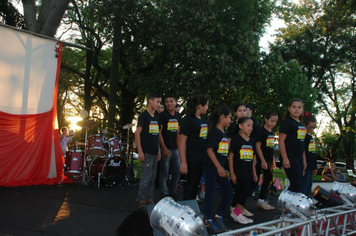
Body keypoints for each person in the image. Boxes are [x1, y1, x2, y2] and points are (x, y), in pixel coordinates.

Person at [203, 106, 234, 233]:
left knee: (229, 192)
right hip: (212, 167)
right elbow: (209, 150)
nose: (231, 120)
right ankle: (207, 220)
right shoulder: (215, 132)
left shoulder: (223, 133)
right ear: (222, 118)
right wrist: (218, 167)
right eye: (229, 117)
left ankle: (218, 216)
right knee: (209, 194)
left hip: (220, 166)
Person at [179, 94, 209, 200]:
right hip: (192, 157)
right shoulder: (187, 120)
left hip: (202, 157)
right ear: (199, 106)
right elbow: (182, 141)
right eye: (206, 105)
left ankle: (191, 205)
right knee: (191, 182)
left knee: (196, 182)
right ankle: (186, 205)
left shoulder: (204, 119)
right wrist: (183, 161)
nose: (207, 108)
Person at [229, 117, 258, 224]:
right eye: (248, 125)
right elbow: (231, 156)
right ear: (240, 126)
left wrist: (254, 172)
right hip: (238, 171)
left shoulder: (251, 140)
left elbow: (252, 158)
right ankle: (237, 212)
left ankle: (237, 210)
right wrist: (231, 172)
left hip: (248, 171)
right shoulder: (236, 139)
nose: (251, 128)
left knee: (241, 190)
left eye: (252, 126)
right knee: (247, 189)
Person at [135, 93, 162, 207]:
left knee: (152, 177)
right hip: (146, 152)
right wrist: (140, 151)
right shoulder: (144, 116)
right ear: (150, 101)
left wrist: (159, 150)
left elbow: (157, 135)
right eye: (157, 101)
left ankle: (149, 197)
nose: (158, 104)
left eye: (160, 102)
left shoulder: (155, 117)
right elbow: (137, 133)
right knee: (146, 177)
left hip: (154, 151)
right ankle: (141, 198)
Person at [279, 98, 307, 193]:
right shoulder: (287, 122)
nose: (296, 110)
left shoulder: (302, 124)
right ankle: (285, 203)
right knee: (296, 184)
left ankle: (291, 204)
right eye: (294, 107)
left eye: (299, 107)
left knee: (298, 184)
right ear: (289, 108)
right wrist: (285, 158)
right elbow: (281, 140)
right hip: (290, 156)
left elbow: (302, 143)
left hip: (299, 157)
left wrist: (304, 160)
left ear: (302, 109)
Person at [158, 95, 181, 200]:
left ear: (175, 102)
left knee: (177, 172)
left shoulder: (178, 116)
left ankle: (173, 191)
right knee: (165, 172)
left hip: (176, 149)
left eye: (171, 101)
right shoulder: (162, 116)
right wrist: (164, 148)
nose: (169, 103)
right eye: (167, 102)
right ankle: (164, 192)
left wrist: (180, 149)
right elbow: (159, 133)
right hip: (165, 148)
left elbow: (179, 133)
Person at [256, 111, 278, 210]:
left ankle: (264, 199)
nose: (273, 123)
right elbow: (258, 146)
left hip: (269, 158)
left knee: (269, 178)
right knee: (267, 177)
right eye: (271, 121)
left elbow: (271, 147)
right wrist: (262, 160)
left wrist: (273, 158)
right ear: (266, 119)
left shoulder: (272, 132)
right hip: (263, 158)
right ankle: (261, 200)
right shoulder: (261, 131)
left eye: (275, 121)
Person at [300, 114, 318, 196]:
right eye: (310, 127)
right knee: (304, 184)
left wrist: (314, 166)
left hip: (311, 165)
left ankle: (307, 199)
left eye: (313, 127)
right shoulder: (303, 137)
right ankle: (301, 199)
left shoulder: (310, 137)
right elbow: (303, 150)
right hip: (306, 164)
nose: (312, 129)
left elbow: (313, 153)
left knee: (309, 184)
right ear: (305, 125)